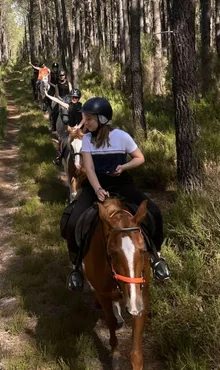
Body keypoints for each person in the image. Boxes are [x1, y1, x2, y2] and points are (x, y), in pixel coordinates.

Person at [65, 97, 171, 291]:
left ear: (102, 119)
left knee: (154, 212)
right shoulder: (87, 138)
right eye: (84, 118)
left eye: (89, 118)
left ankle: (157, 257)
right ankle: (76, 266)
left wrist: (124, 166)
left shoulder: (122, 136)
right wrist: (97, 189)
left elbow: (140, 158)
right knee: (72, 221)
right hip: (95, 184)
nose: (85, 122)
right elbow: (88, 168)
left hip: (121, 182)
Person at [44, 88, 83, 164]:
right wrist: (47, 95)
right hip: (70, 129)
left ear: (79, 98)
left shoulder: (82, 108)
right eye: (73, 97)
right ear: (71, 97)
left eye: (76, 97)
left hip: (80, 129)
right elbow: (57, 100)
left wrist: (79, 126)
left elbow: (84, 118)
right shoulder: (68, 106)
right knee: (62, 140)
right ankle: (59, 156)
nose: (74, 99)